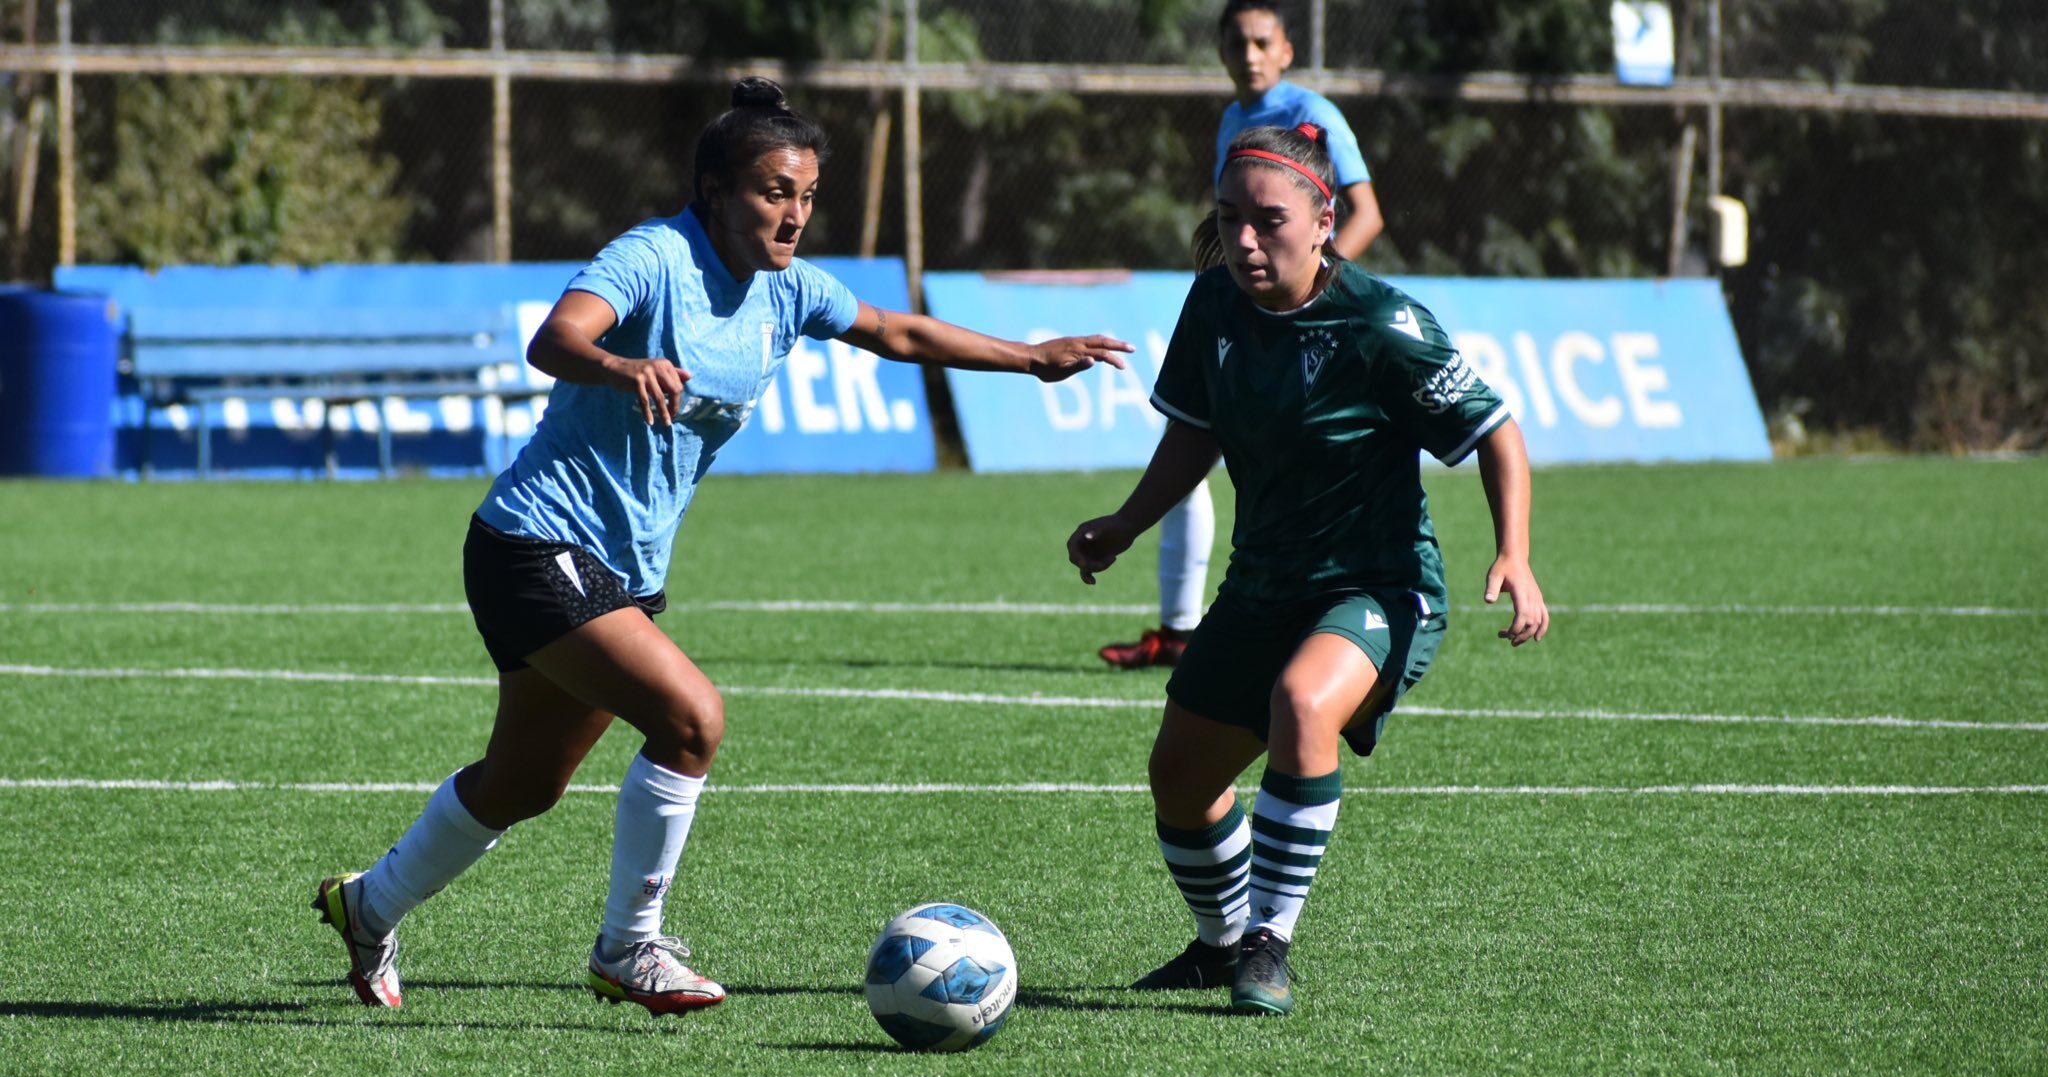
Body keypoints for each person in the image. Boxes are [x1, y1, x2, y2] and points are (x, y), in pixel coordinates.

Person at [312, 77, 1133, 1016]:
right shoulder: (654, 257)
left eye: (807, 196)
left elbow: (894, 328)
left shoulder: (787, 290)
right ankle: (630, 950)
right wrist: (620, 364)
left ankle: (367, 906)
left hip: (618, 571)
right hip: (533, 542)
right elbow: (555, 338)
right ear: (715, 191)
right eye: (773, 193)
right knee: (692, 718)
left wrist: (1032, 358)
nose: (793, 216)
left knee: (524, 784)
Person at [1066, 123, 1547, 1015]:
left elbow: (1497, 433)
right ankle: (1219, 948)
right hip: (1262, 588)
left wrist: (1513, 553)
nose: (1247, 239)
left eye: (1270, 220)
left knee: (1301, 702)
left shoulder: (1381, 324)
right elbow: (1196, 430)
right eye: (1230, 218)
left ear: (1325, 220)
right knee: (1179, 777)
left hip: (1378, 587)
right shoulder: (1213, 304)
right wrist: (1128, 523)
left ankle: (1268, 941)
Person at [1099, 0, 1385, 670]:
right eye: (1237, 43)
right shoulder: (1234, 120)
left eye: (1263, 42)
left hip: (1303, 321)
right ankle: (1179, 629)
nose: (1250, 55)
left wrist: (1314, 291)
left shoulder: (1309, 116)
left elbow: (1364, 211)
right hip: (1249, 315)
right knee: (1192, 447)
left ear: (1286, 50)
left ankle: (1333, 623)